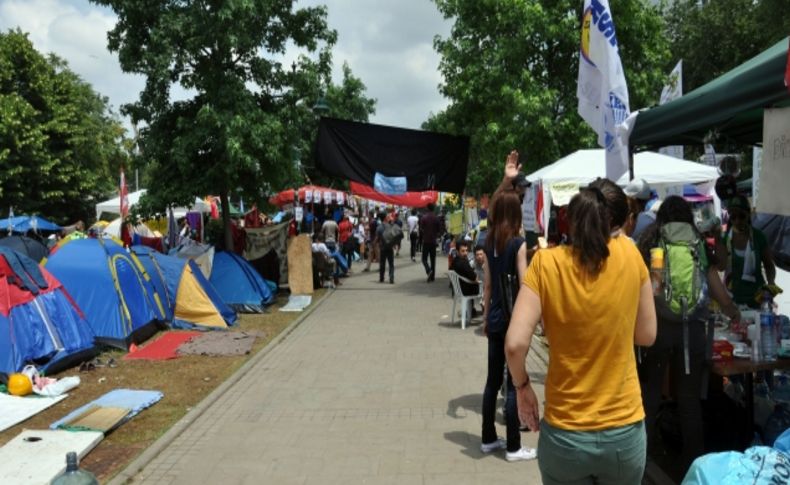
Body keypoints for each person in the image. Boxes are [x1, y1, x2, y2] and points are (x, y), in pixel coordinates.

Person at [505, 184, 658, 484]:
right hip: (623, 433)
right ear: (617, 220)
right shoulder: (630, 253)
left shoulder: (546, 263)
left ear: (570, 219)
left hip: (566, 435)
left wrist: (522, 387)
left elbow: (514, 345)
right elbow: (647, 334)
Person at [635, 195, 740, 474]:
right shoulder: (696, 243)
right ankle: (693, 466)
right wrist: (732, 312)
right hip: (692, 331)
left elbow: (648, 289)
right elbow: (715, 283)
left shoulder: (653, 240)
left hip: (657, 329)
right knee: (689, 400)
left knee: (651, 394)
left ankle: (641, 461)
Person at [479, 151, 535, 462]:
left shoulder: (489, 243)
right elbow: (526, 284)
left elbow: (487, 285)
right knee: (514, 382)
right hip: (514, 320)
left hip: (496, 320)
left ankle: (488, 438)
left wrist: (487, 317)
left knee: (491, 381)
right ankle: (513, 446)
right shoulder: (518, 243)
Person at [723, 194, 776, 308]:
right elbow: (720, 267)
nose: (737, 221)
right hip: (733, 301)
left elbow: (769, 266)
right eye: (733, 217)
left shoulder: (758, 237)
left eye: (741, 216)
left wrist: (771, 283)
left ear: (748, 214)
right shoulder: (725, 239)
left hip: (758, 299)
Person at [420, 203, 441, 282]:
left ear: (427, 208)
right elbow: (439, 230)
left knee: (424, 259)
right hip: (433, 241)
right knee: (433, 259)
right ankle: (432, 277)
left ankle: (428, 270)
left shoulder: (424, 218)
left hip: (426, 241)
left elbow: (421, 229)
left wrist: (425, 232)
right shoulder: (436, 218)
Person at [375, 213, 395, 284]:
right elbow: (393, 236)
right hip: (389, 247)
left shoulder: (379, 227)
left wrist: (374, 243)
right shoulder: (390, 226)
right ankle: (391, 277)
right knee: (391, 263)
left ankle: (381, 278)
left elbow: (377, 238)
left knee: (382, 263)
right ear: (385, 218)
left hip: (382, 247)